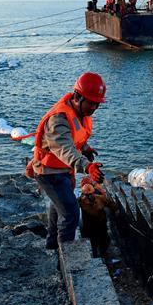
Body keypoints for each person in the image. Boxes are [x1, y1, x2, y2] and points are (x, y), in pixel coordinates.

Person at [28, 72, 106, 250]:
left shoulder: (80, 112)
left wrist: (85, 148)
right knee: (70, 212)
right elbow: (65, 149)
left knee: (59, 208)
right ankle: (68, 257)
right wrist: (87, 167)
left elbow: (75, 137)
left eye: (97, 104)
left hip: (62, 170)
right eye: (92, 102)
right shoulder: (58, 119)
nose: (94, 108)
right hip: (49, 173)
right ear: (78, 97)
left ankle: (52, 248)